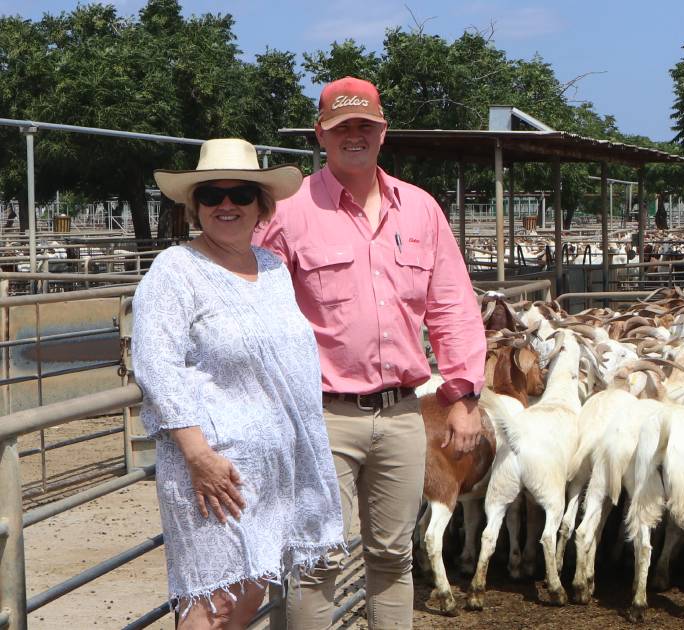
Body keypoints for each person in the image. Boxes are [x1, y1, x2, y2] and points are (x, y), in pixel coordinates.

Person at [254, 76, 486, 629]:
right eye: (341, 128)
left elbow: (452, 303)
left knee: (392, 556)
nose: (353, 137)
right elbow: (257, 310)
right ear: (321, 135)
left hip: (403, 413)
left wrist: (463, 396)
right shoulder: (289, 211)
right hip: (321, 415)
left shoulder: (420, 210)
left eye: (365, 126)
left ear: (383, 133)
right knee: (317, 561)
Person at [133, 138, 344, 628]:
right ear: (195, 206)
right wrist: (198, 456)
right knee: (212, 609)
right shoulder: (176, 271)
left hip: (273, 473)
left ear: (261, 205)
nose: (226, 205)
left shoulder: (271, 268)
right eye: (212, 195)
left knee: (247, 601)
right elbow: (156, 366)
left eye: (240, 195)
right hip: (214, 476)